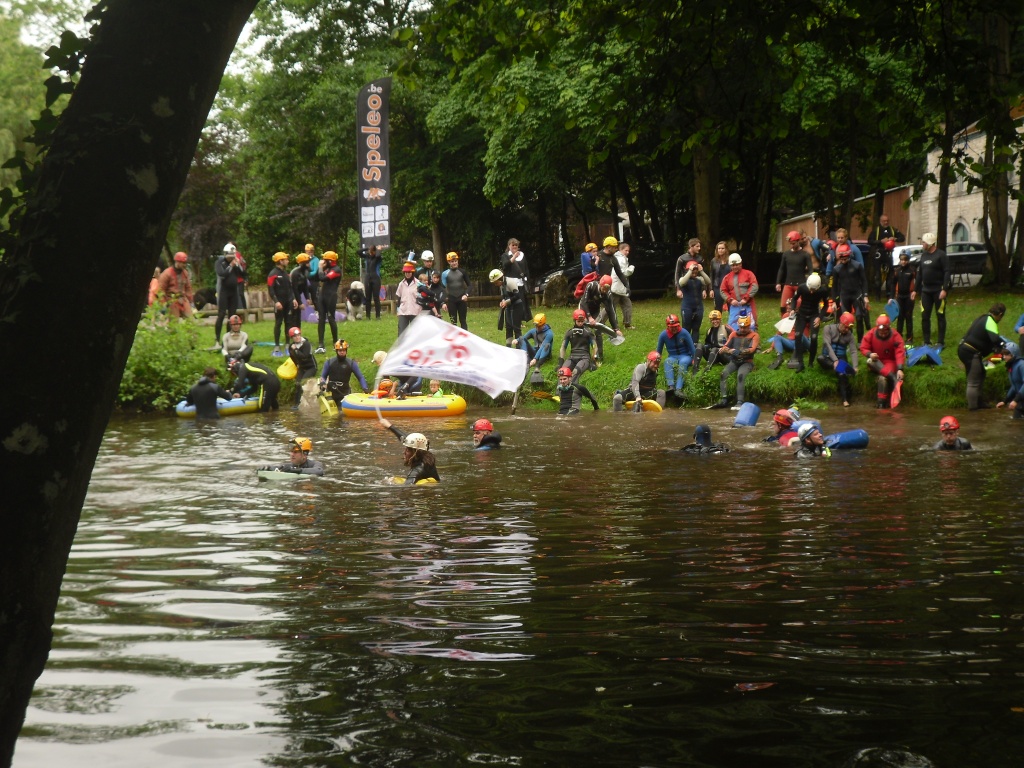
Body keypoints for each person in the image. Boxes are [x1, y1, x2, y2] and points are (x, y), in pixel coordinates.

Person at [957, 302, 1006, 410]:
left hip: (965, 349)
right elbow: (995, 339)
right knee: (973, 381)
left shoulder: (983, 318)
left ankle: (979, 402)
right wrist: (1003, 345)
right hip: (971, 352)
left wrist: (997, 351)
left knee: (981, 372)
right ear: (1000, 314)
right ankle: (973, 409)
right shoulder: (990, 321)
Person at [712, 312, 759, 410]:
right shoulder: (733, 334)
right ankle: (724, 399)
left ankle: (740, 402)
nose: (742, 329)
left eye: (745, 327)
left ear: (749, 326)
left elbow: (752, 349)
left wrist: (739, 351)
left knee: (740, 376)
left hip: (747, 362)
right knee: (723, 374)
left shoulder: (754, 335)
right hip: (734, 361)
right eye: (741, 327)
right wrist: (728, 350)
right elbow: (725, 347)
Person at [913, 232, 951, 350]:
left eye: (924, 242)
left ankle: (940, 342)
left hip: (938, 290)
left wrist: (945, 289)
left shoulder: (941, 255)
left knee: (940, 315)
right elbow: (920, 274)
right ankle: (926, 341)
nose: (922, 244)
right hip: (926, 291)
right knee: (925, 316)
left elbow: (947, 272)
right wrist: (915, 290)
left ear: (929, 243)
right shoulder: (923, 256)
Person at [785, 272, 829, 371]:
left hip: (814, 314)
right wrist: (792, 309)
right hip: (802, 314)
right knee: (797, 335)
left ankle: (811, 362)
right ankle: (800, 362)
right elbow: (794, 299)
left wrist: (820, 317)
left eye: (814, 290)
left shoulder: (823, 291)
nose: (812, 292)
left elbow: (826, 305)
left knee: (814, 337)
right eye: (810, 289)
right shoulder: (802, 287)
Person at [859, 313, 905, 408]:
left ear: (888, 329)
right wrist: (870, 354)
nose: (883, 334)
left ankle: (881, 403)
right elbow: (863, 347)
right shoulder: (871, 333)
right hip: (876, 361)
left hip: (890, 362)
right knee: (870, 361)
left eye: (885, 332)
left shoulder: (895, 336)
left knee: (882, 378)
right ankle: (893, 378)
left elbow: (899, 352)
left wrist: (900, 368)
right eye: (880, 332)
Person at [817, 311, 859, 406]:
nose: (846, 330)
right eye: (845, 327)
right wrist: (835, 361)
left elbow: (853, 351)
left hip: (841, 357)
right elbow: (827, 345)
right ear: (841, 323)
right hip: (828, 357)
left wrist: (855, 366)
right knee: (820, 358)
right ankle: (835, 366)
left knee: (841, 374)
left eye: (848, 328)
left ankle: (845, 400)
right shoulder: (828, 328)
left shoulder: (850, 335)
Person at [380, 418, 440, 484]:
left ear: (416, 452)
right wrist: (390, 426)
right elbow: (406, 438)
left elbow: (408, 486)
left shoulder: (417, 470)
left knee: (392, 480)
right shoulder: (426, 455)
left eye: (408, 450)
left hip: (423, 489)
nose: (404, 452)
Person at [579, 275, 623, 360]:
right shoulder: (591, 286)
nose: (605, 291)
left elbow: (611, 311)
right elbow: (584, 302)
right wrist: (589, 317)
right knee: (585, 331)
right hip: (584, 308)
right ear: (600, 284)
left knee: (598, 331)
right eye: (604, 288)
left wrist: (616, 328)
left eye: (607, 289)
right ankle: (583, 354)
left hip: (595, 310)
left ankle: (600, 355)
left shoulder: (608, 294)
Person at [831, 243, 869, 339]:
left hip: (857, 295)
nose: (843, 261)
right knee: (846, 320)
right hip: (845, 295)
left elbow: (864, 281)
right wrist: (834, 301)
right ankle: (847, 340)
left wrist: (865, 296)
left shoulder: (857, 266)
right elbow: (834, 286)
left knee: (859, 317)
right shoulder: (836, 269)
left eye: (845, 259)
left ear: (849, 256)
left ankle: (860, 341)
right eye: (841, 259)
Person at [212, 243, 246, 349]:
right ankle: (217, 339)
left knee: (232, 316)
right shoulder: (220, 262)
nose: (232, 258)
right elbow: (222, 275)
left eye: (233, 255)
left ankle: (228, 338)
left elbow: (242, 274)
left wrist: (238, 265)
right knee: (221, 314)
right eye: (230, 256)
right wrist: (231, 266)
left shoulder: (235, 263)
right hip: (223, 291)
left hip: (233, 292)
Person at [866, 213, 905, 299]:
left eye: (887, 221)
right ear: (880, 221)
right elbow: (870, 241)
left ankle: (889, 294)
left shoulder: (893, 230)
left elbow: (902, 238)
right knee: (878, 275)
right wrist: (880, 241)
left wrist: (895, 239)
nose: (886, 222)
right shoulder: (876, 230)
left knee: (890, 275)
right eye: (884, 221)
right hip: (879, 254)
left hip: (889, 254)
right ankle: (877, 296)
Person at [319, 339, 369, 406]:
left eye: (344, 350)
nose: (342, 352)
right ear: (336, 351)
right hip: (331, 392)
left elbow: (360, 377)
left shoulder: (351, 363)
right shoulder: (329, 362)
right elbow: (323, 376)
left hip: (344, 393)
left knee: (342, 411)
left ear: (346, 351)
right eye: (340, 351)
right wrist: (322, 383)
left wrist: (365, 388)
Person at [656, 314, 695, 398]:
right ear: (667, 327)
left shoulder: (684, 332)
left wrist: (694, 359)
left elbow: (692, 348)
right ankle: (671, 387)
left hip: (685, 355)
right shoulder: (663, 335)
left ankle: (678, 389)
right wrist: (656, 362)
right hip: (672, 356)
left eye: (676, 326)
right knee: (667, 361)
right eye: (672, 327)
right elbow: (658, 351)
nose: (674, 329)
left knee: (683, 362)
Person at [776, 231, 814, 316]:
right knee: (783, 307)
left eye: (793, 243)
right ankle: (784, 321)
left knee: (801, 305)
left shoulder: (805, 254)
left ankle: (801, 320)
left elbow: (810, 270)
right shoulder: (786, 254)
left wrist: (811, 283)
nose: (792, 245)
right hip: (788, 284)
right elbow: (781, 269)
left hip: (800, 284)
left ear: (798, 241)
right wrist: (778, 282)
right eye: (790, 243)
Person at [557, 308, 598, 382]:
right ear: (574, 320)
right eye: (578, 321)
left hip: (584, 357)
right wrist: (560, 362)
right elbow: (563, 347)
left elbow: (594, 347)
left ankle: (573, 387)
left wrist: (593, 361)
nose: (580, 323)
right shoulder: (569, 332)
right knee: (562, 372)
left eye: (582, 321)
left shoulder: (588, 332)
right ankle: (559, 389)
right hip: (572, 357)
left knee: (576, 372)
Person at [720, 252, 759, 327]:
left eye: (736, 265)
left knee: (751, 325)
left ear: (740, 264)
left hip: (748, 305)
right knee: (732, 327)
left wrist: (746, 298)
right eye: (733, 265)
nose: (734, 267)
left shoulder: (749, 274)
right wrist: (730, 300)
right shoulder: (727, 278)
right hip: (734, 306)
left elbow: (754, 286)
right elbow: (722, 290)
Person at [267, 251, 294, 356]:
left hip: (288, 302)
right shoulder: (272, 274)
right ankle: (277, 346)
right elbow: (271, 289)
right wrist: (276, 302)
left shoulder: (286, 273)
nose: (287, 261)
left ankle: (287, 344)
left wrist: (293, 299)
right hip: (279, 303)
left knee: (288, 323)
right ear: (280, 261)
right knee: (278, 323)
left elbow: (290, 288)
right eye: (286, 259)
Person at [315, 250, 342, 352]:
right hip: (322, 296)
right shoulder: (328, 268)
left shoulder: (336, 270)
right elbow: (316, 277)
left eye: (325, 260)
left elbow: (322, 278)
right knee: (321, 319)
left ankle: (335, 341)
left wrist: (320, 267)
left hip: (331, 297)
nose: (323, 261)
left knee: (331, 318)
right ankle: (320, 343)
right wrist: (321, 268)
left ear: (330, 261)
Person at [678, 258, 711, 340]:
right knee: (686, 328)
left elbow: (708, 281)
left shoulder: (699, 279)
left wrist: (701, 271)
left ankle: (694, 345)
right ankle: (685, 345)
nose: (694, 273)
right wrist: (690, 270)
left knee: (696, 328)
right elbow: (682, 283)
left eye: (696, 271)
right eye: (693, 271)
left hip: (698, 307)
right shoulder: (683, 279)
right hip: (687, 307)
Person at [490, 267, 525, 345]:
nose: (495, 285)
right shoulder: (501, 284)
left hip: (517, 306)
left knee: (516, 328)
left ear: (499, 279)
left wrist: (507, 302)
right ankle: (508, 347)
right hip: (509, 306)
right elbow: (503, 295)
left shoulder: (510, 282)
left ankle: (520, 347)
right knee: (508, 328)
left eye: (496, 283)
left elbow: (517, 295)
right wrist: (502, 301)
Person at [259, 436, 324, 476]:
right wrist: (267, 468)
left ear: (304, 455)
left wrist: (295, 470)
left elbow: (319, 471)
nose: (292, 454)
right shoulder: (289, 466)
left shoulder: (315, 464)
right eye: (291, 452)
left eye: (295, 452)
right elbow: (278, 468)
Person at [286, 327, 318, 407]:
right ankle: (296, 403)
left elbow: (304, 356)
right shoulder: (291, 347)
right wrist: (297, 364)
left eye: (298, 335)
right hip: (302, 367)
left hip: (311, 367)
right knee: (297, 384)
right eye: (295, 336)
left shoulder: (306, 344)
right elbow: (292, 357)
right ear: (292, 338)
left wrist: (296, 350)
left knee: (303, 382)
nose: (297, 337)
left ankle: (306, 403)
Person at [157, 251, 194, 318]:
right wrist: (163, 303)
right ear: (177, 262)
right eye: (183, 263)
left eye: (185, 263)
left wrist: (191, 301)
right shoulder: (167, 273)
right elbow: (161, 290)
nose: (185, 265)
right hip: (171, 300)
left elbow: (188, 288)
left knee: (191, 320)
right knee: (174, 321)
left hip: (183, 299)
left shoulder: (185, 273)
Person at [500, 237, 531, 317]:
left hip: (520, 283)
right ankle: (513, 319)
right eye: (513, 245)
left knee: (521, 303)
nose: (514, 246)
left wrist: (527, 280)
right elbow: (505, 266)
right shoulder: (505, 255)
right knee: (512, 302)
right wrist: (513, 257)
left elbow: (526, 268)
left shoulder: (522, 255)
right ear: (509, 246)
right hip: (510, 283)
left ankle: (520, 320)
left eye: (516, 245)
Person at [890, 250, 916, 345]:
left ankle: (909, 338)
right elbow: (893, 284)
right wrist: (891, 297)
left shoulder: (912, 270)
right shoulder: (897, 270)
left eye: (905, 260)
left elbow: (917, 282)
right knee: (900, 317)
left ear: (908, 260)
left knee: (908, 316)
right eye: (901, 260)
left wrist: (915, 292)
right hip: (899, 297)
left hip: (909, 296)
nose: (903, 262)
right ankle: (898, 337)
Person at [441, 251, 471, 329]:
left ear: (457, 261)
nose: (454, 263)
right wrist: (443, 302)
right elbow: (442, 288)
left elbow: (470, 285)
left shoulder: (462, 272)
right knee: (453, 322)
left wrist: (466, 294)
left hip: (462, 299)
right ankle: (454, 337)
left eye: (455, 261)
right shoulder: (445, 274)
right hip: (451, 300)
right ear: (448, 262)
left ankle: (465, 336)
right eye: (452, 261)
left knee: (463, 321)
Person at [520, 312, 554, 378]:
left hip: (544, 353)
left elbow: (543, 346)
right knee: (521, 338)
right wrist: (517, 340)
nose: (537, 328)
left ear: (544, 324)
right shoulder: (533, 331)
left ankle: (538, 365)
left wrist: (535, 359)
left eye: (539, 326)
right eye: (536, 326)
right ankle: (524, 358)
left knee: (547, 345)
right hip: (535, 351)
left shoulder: (549, 333)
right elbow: (523, 338)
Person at [610, 241, 635, 330]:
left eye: (628, 251)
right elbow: (623, 273)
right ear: (620, 250)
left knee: (627, 305)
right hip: (617, 287)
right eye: (626, 250)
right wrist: (631, 268)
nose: (627, 252)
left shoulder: (620, 258)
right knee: (610, 307)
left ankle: (627, 324)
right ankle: (599, 323)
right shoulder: (621, 259)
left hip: (621, 287)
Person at [995, 342, 1024, 419]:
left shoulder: (1021, 365)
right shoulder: (1012, 366)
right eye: (1003, 354)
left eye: (1007, 354)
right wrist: (1005, 401)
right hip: (1020, 401)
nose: (1004, 357)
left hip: (1020, 399)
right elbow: (1014, 386)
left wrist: (1015, 400)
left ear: (1013, 354)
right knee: (1016, 422)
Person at [289, 252, 313, 333]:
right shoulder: (295, 273)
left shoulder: (305, 272)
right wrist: (300, 303)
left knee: (298, 317)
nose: (309, 264)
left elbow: (305, 286)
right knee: (294, 316)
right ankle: (292, 334)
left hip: (298, 295)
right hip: (292, 296)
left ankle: (298, 333)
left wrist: (307, 298)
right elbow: (294, 289)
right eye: (307, 262)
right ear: (302, 263)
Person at [396, 261, 421, 335]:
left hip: (415, 311)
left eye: (409, 272)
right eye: (406, 272)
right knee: (402, 333)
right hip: (403, 311)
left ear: (412, 272)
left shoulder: (418, 284)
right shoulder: (401, 284)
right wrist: (398, 310)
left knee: (416, 334)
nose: (407, 274)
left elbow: (422, 297)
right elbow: (399, 297)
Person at [361, 245, 383, 320]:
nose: (371, 253)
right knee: (368, 298)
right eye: (370, 252)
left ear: (374, 251)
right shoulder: (367, 257)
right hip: (367, 278)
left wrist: (378, 250)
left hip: (376, 278)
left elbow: (378, 255)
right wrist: (366, 248)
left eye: (372, 252)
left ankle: (378, 316)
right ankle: (368, 316)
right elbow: (358, 252)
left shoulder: (377, 258)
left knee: (376, 298)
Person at [709, 241, 730, 312]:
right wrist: (711, 289)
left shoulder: (730, 260)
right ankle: (717, 320)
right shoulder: (713, 261)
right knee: (718, 308)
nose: (720, 250)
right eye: (719, 248)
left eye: (722, 248)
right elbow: (711, 275)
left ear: (726, 249)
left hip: (729, 287)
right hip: (717, 287)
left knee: (731, 307)